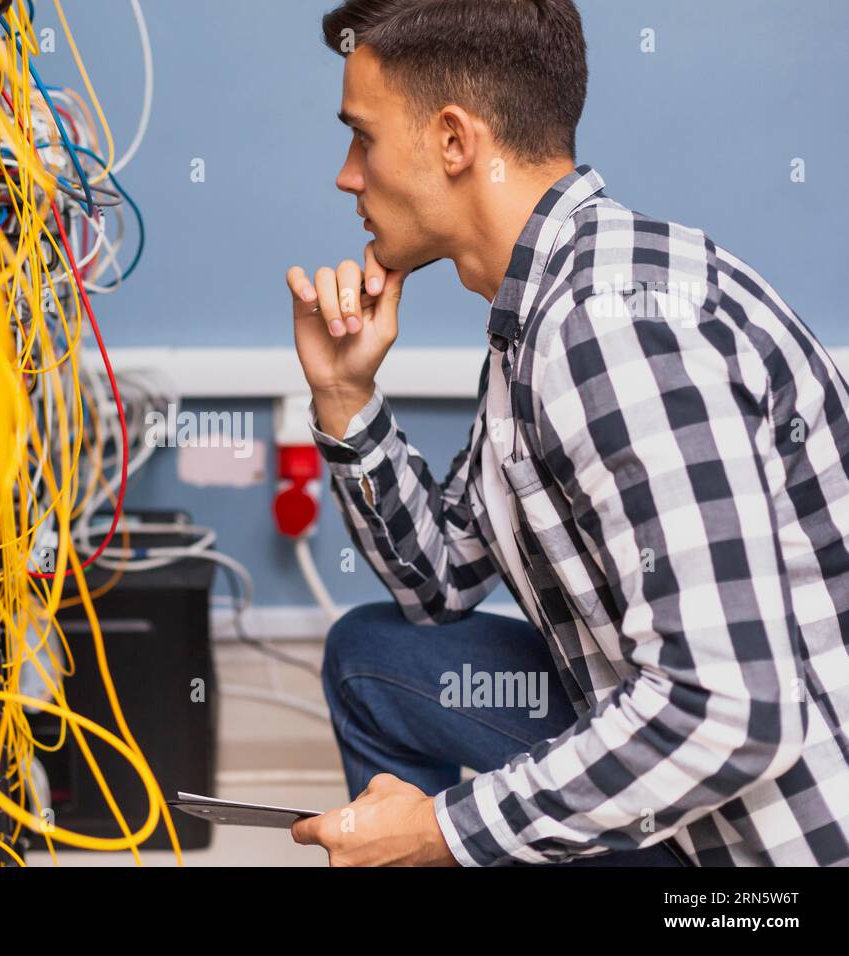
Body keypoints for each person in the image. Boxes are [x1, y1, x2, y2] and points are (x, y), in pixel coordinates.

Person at [287, 0, 849, 867]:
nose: (346, 176)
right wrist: (344, 394)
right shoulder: (542, 314)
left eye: (361, 138)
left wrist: (448, 831)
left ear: (453, 140)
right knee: (373, 661)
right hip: (685, 770)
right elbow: (438, 584)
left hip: (774, 857)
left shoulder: (610, 325)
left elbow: (733, 712)